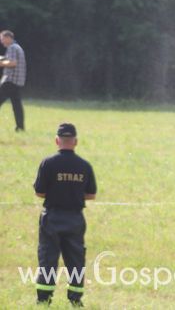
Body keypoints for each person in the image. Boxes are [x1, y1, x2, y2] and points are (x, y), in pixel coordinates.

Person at [33, 123, 97, 306]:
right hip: (75, 219)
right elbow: (91, 194)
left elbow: (39, 192)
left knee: (48, 258)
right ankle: (75, 300)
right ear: (75, 141)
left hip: (52, 217)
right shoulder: (84, 166)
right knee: (76, 259)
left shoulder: (48, 163)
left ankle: (44, 299)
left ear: (57, 141)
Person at [0, 29, 26, 131]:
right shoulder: (17, 47)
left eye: (2, 39)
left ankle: (20, 127)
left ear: (8, 38)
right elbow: (9, 60)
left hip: (10, 80)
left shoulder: (11, 48)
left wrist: (1, 63)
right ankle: (20, 127)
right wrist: (2, 59)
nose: (1, 41)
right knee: (17, 105)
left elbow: (13, 63)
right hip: (17, 81)